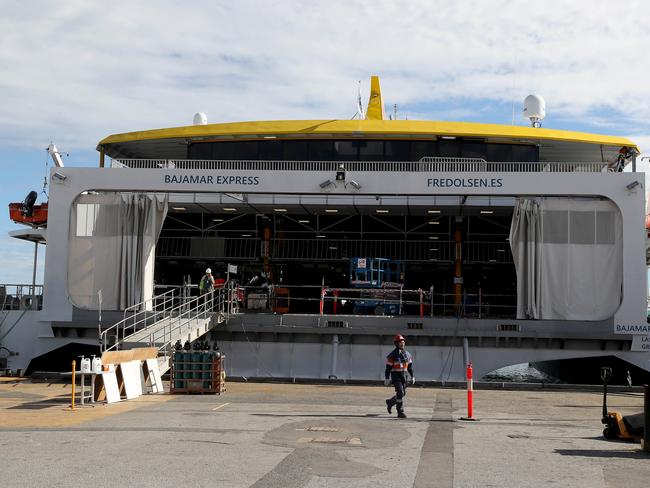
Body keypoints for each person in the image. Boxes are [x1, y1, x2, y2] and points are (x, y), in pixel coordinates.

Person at [384, 334, 415, 418]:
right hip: (396, 376)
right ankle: (400, 411)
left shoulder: (408, 354)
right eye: (400, 342)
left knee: (402, 393)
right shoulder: (392, 355)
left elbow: (410, 367)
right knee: (400, 392)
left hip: (404, 376)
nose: (402, 343)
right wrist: (387, 378)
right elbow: (388, 368)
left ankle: (390, 402)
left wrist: (412, 376)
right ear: (396, 343)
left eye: (403, 342)